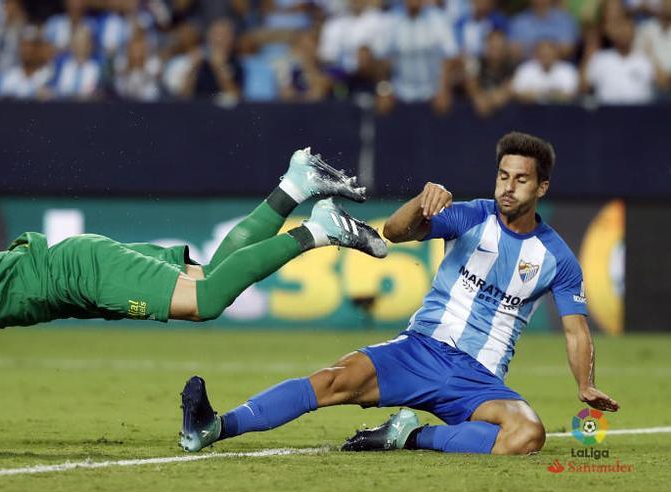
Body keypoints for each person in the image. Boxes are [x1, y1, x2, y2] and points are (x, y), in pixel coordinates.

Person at [179, 132, 619, 455]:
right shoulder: (470, 216)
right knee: (331, 380)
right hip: (418, 350)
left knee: (527, 435)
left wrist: (586, 384)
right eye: (503, 176)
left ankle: (407, 435)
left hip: (477, 380)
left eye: (521, 180)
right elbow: (393, 231)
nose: (507, 186)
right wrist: (421, 201)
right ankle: (215, 426)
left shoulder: (557, 258)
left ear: (542, 187)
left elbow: (576, 331)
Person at [0, 148, 387, 401]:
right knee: (214, 278)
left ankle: (317, 229)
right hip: (72, 274)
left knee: (209, 301)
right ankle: (294, 185)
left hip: (76, 273)